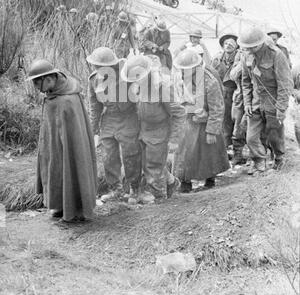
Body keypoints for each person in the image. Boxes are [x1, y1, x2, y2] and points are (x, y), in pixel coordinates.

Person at [26, 59, 97, 222]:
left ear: (49, 79)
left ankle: (77, 208)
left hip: (70, 144)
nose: (37, 90)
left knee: (72, 164)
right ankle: (62, 205)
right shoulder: (56, 93)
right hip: (55, 144)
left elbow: (71, 130)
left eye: (38, 85)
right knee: (57, 168)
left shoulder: (66, 99)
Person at [121, 55, 186, 203]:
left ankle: (159, 199)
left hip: (158, 132)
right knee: (142, 163)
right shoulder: (136, 86)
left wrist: (174, 139)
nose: (136, 81)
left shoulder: (162, 86)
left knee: (154, 167)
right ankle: (171, 183)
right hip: (141, 131)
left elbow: (179, 113)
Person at [87, 47, 142, 203]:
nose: (97, 69)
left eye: (101, 66)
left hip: (128, 117)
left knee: (130, 154)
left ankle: (134, 188)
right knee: (108, 156)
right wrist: (92, 130)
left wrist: (143, 123)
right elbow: (94, 107)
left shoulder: (127, 75)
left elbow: (140, 99)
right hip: (109, 119)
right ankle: (115, 189)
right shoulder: (93, 80)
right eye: (95, 66)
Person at [173, 49, 229, 192]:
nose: (184, 72)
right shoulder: (179, 79)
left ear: (196, 68)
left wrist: (212, 131)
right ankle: (184, 183)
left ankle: (209, 180)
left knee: (209, 152)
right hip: (188, 122)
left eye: (187, 70)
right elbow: (176, 100)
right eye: (182, 70)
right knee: (184, 153)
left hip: (206, 123)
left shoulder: (210, 82)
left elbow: (217, 108)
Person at [240, 27, 293, 173]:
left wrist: (281, 108)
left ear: (260, 43)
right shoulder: (246, 56)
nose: (249, 50)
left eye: (252, 47)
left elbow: (285, 84)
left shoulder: (276, 55)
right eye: (247, 47)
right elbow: (245, 82)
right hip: (256, 102)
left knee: (274, 135)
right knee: (251, 137)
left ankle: (279, 158)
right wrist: (247, 103)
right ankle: (259, 161)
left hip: (273, 101)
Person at [212, 34, 239, 149]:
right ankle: (226, 143)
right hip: (220, 92)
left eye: (231, 44)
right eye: (226, 43)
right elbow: (211, 73)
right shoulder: (217, 58)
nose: (228, 45)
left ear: (236, 46)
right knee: (223, 118)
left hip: (236, 92)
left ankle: (235, 143)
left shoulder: (239, 58)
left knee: (235, 118)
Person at [229, 49, 248, 166]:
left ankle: (257, 157)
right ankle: (238, 154)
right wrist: (243, 62)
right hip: (240, 97)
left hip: (255, 96)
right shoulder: (239, 55)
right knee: (238, 126)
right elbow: (233, 75)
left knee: (256, 127)